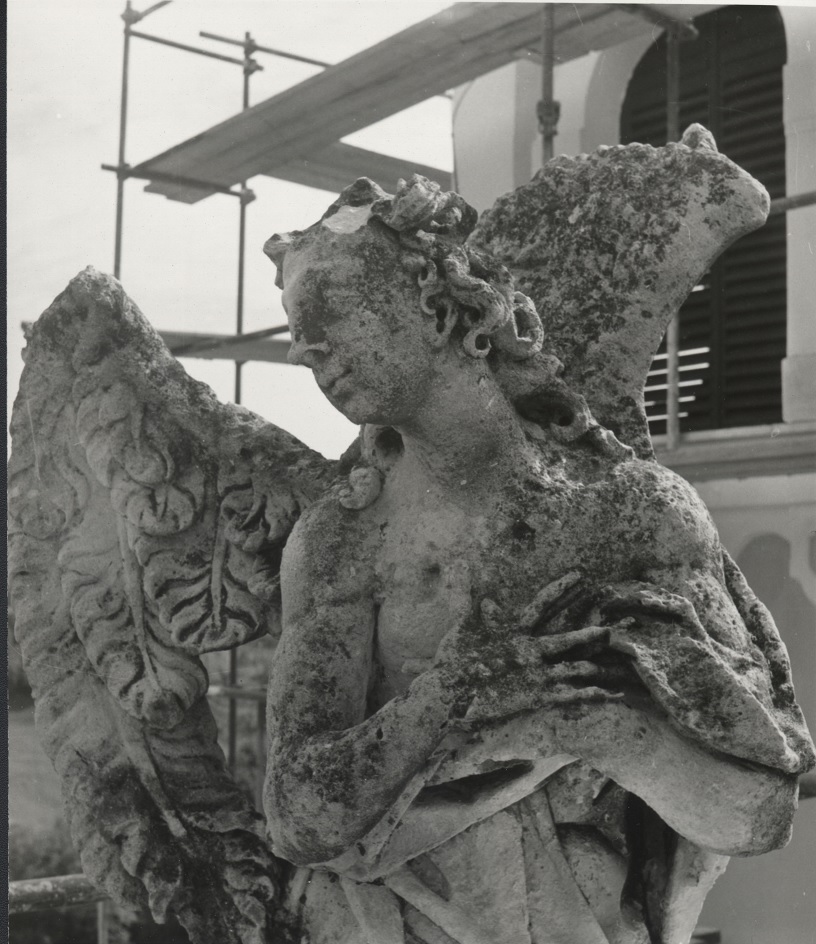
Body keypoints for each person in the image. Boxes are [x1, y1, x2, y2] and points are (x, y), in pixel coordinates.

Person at [261, 177, 814, 944]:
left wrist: (583, 728)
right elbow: (296, 811)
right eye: (294, 329)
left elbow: (759, 807)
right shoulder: (342, 541)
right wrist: (455, 690)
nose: (303, 350)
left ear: (438, 302)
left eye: (327, 313)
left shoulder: (632, 514)